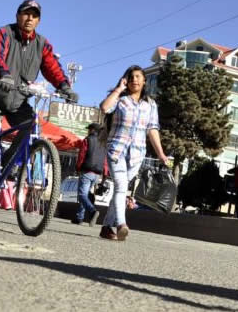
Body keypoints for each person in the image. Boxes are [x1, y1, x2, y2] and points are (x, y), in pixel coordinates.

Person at [0, 0, 78, 192]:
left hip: (17, 101)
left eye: (35, 15)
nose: (30, 18)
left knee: (32, 126)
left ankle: (5, 164)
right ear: (17, 15)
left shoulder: (42, 44)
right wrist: (3, 74)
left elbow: (52, 67)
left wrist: (64, 86)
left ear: (38, 21)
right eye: (26, 13)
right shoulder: (4, 33)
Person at [98, 65, 168, 241]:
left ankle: (106, 227)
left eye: (138, 77)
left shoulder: (150, 105)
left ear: (144, 81)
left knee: (120, 189)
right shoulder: (121, 100)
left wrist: (161, 154)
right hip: (117, 149)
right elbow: (105, 107)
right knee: (121, 186)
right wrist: (118, 89)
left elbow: (152, 129)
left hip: (137, 154)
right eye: (131, 77)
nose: (134, 80)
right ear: (126, 81)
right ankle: (121, 224)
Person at [71, 123, 108, 227]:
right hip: (97, 175)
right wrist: (105, 175)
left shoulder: (87, 140)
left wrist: (78, 167)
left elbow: (82, 155)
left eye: (89, 129)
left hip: (87, 171)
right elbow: (105, 161)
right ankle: (79, 217)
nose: (87, 131)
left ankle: (92, 211)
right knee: (85, 195)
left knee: (82, 195)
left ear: (92, 130)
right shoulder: (103, 143)